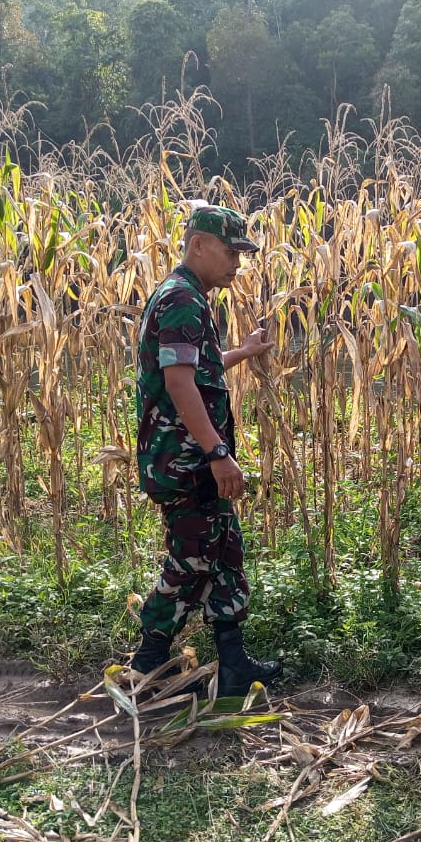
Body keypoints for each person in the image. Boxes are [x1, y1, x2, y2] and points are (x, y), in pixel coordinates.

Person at [129, 203, 283, 698]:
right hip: (187, 460)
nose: (238, 262)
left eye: (242, 252)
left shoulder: (189, 298)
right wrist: (218, 452)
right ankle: (146, 661)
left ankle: (234, 664)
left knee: (223, 554)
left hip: (194, 458)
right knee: (192, 557)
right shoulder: (182, 299)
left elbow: (200, 368)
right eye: (230, 251)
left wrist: (247, 350)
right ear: (198, 245)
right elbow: (178, 384)